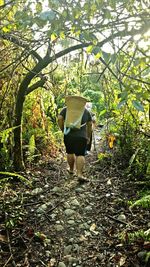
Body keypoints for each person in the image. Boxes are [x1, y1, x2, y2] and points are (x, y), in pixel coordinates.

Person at [58, 96, 92, 180]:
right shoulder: (86, 111)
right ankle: (79, 174)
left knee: (70, 152)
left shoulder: (66, 109)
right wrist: (88, 136)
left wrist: (63, 129)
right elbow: (90, 124)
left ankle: (71, 170)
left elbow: (59, 118)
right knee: (80, 154)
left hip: (68, 135)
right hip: (82, 136)